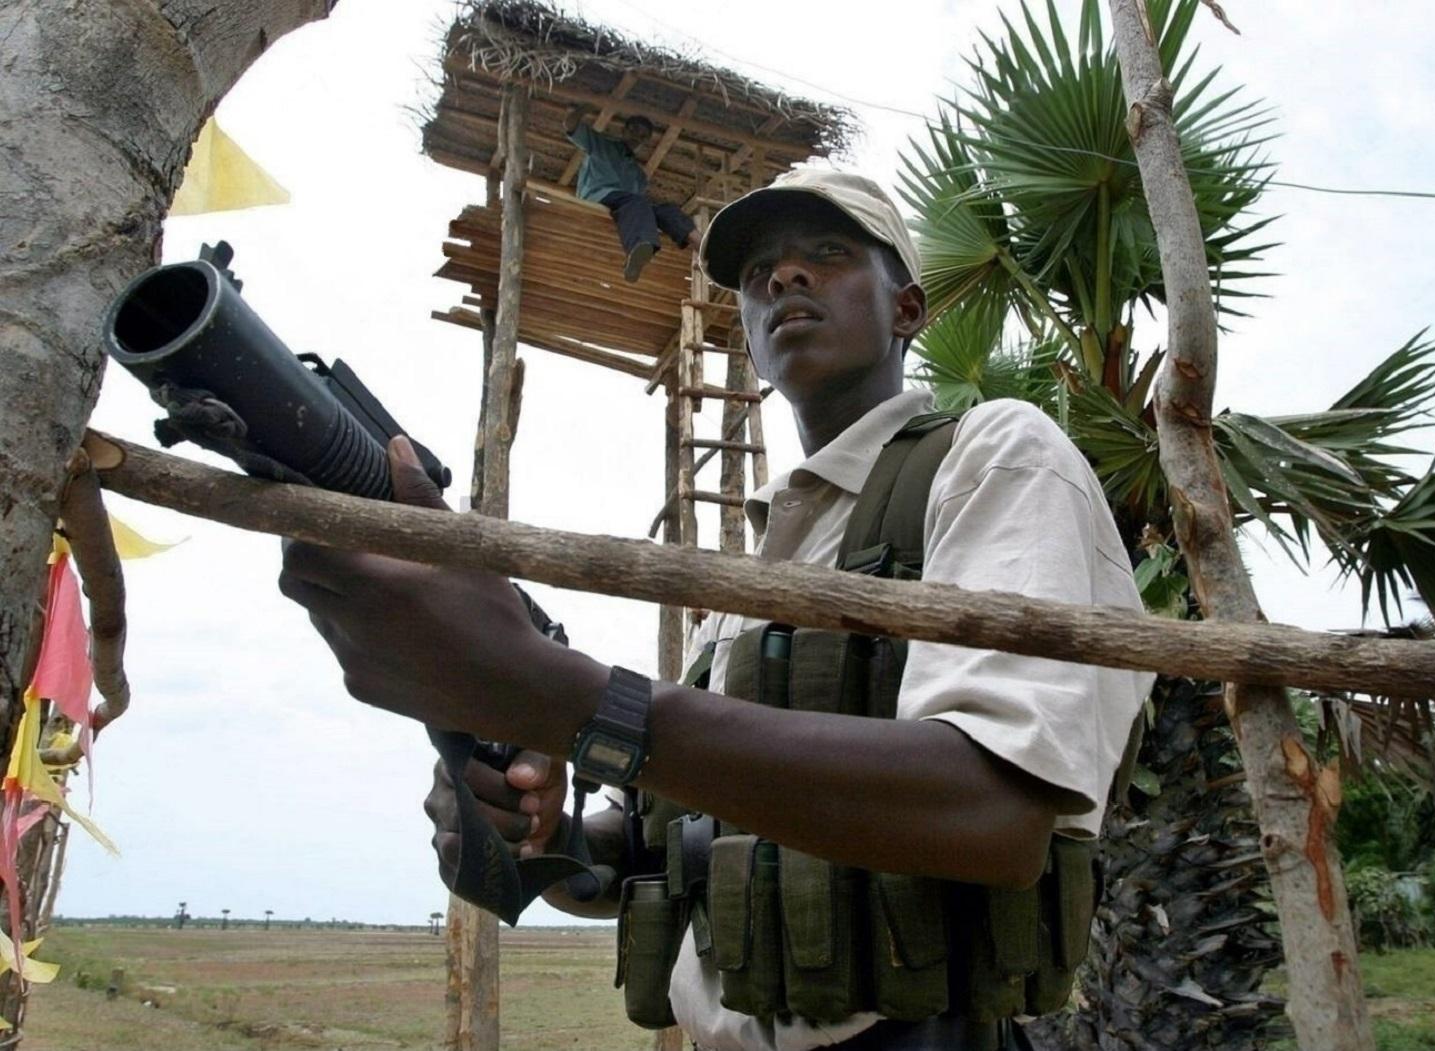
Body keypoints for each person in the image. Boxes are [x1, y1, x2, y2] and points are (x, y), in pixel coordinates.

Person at [279, 170, 1153, 1050]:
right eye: (760, 272)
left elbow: (996, 812)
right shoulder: (745, 584)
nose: (785, 277)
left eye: (828, 253)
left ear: (908, 308)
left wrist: (560, 696)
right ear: (751, 341)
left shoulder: (994, 456)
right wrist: (539, 832)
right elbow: (671, 849)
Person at [563, 106, 701, 281]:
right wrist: (585, 107)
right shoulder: (601, 144)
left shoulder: (638, 175)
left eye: (643, 136)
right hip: (597, 197)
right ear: (624, 130)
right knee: (637, 201)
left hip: (626, 206)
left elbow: (640, 207)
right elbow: (570, 125)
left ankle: (702, 245)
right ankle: (639, 246)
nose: (637, 137)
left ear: (646, 141)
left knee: (667, 210)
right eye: (634, 130)